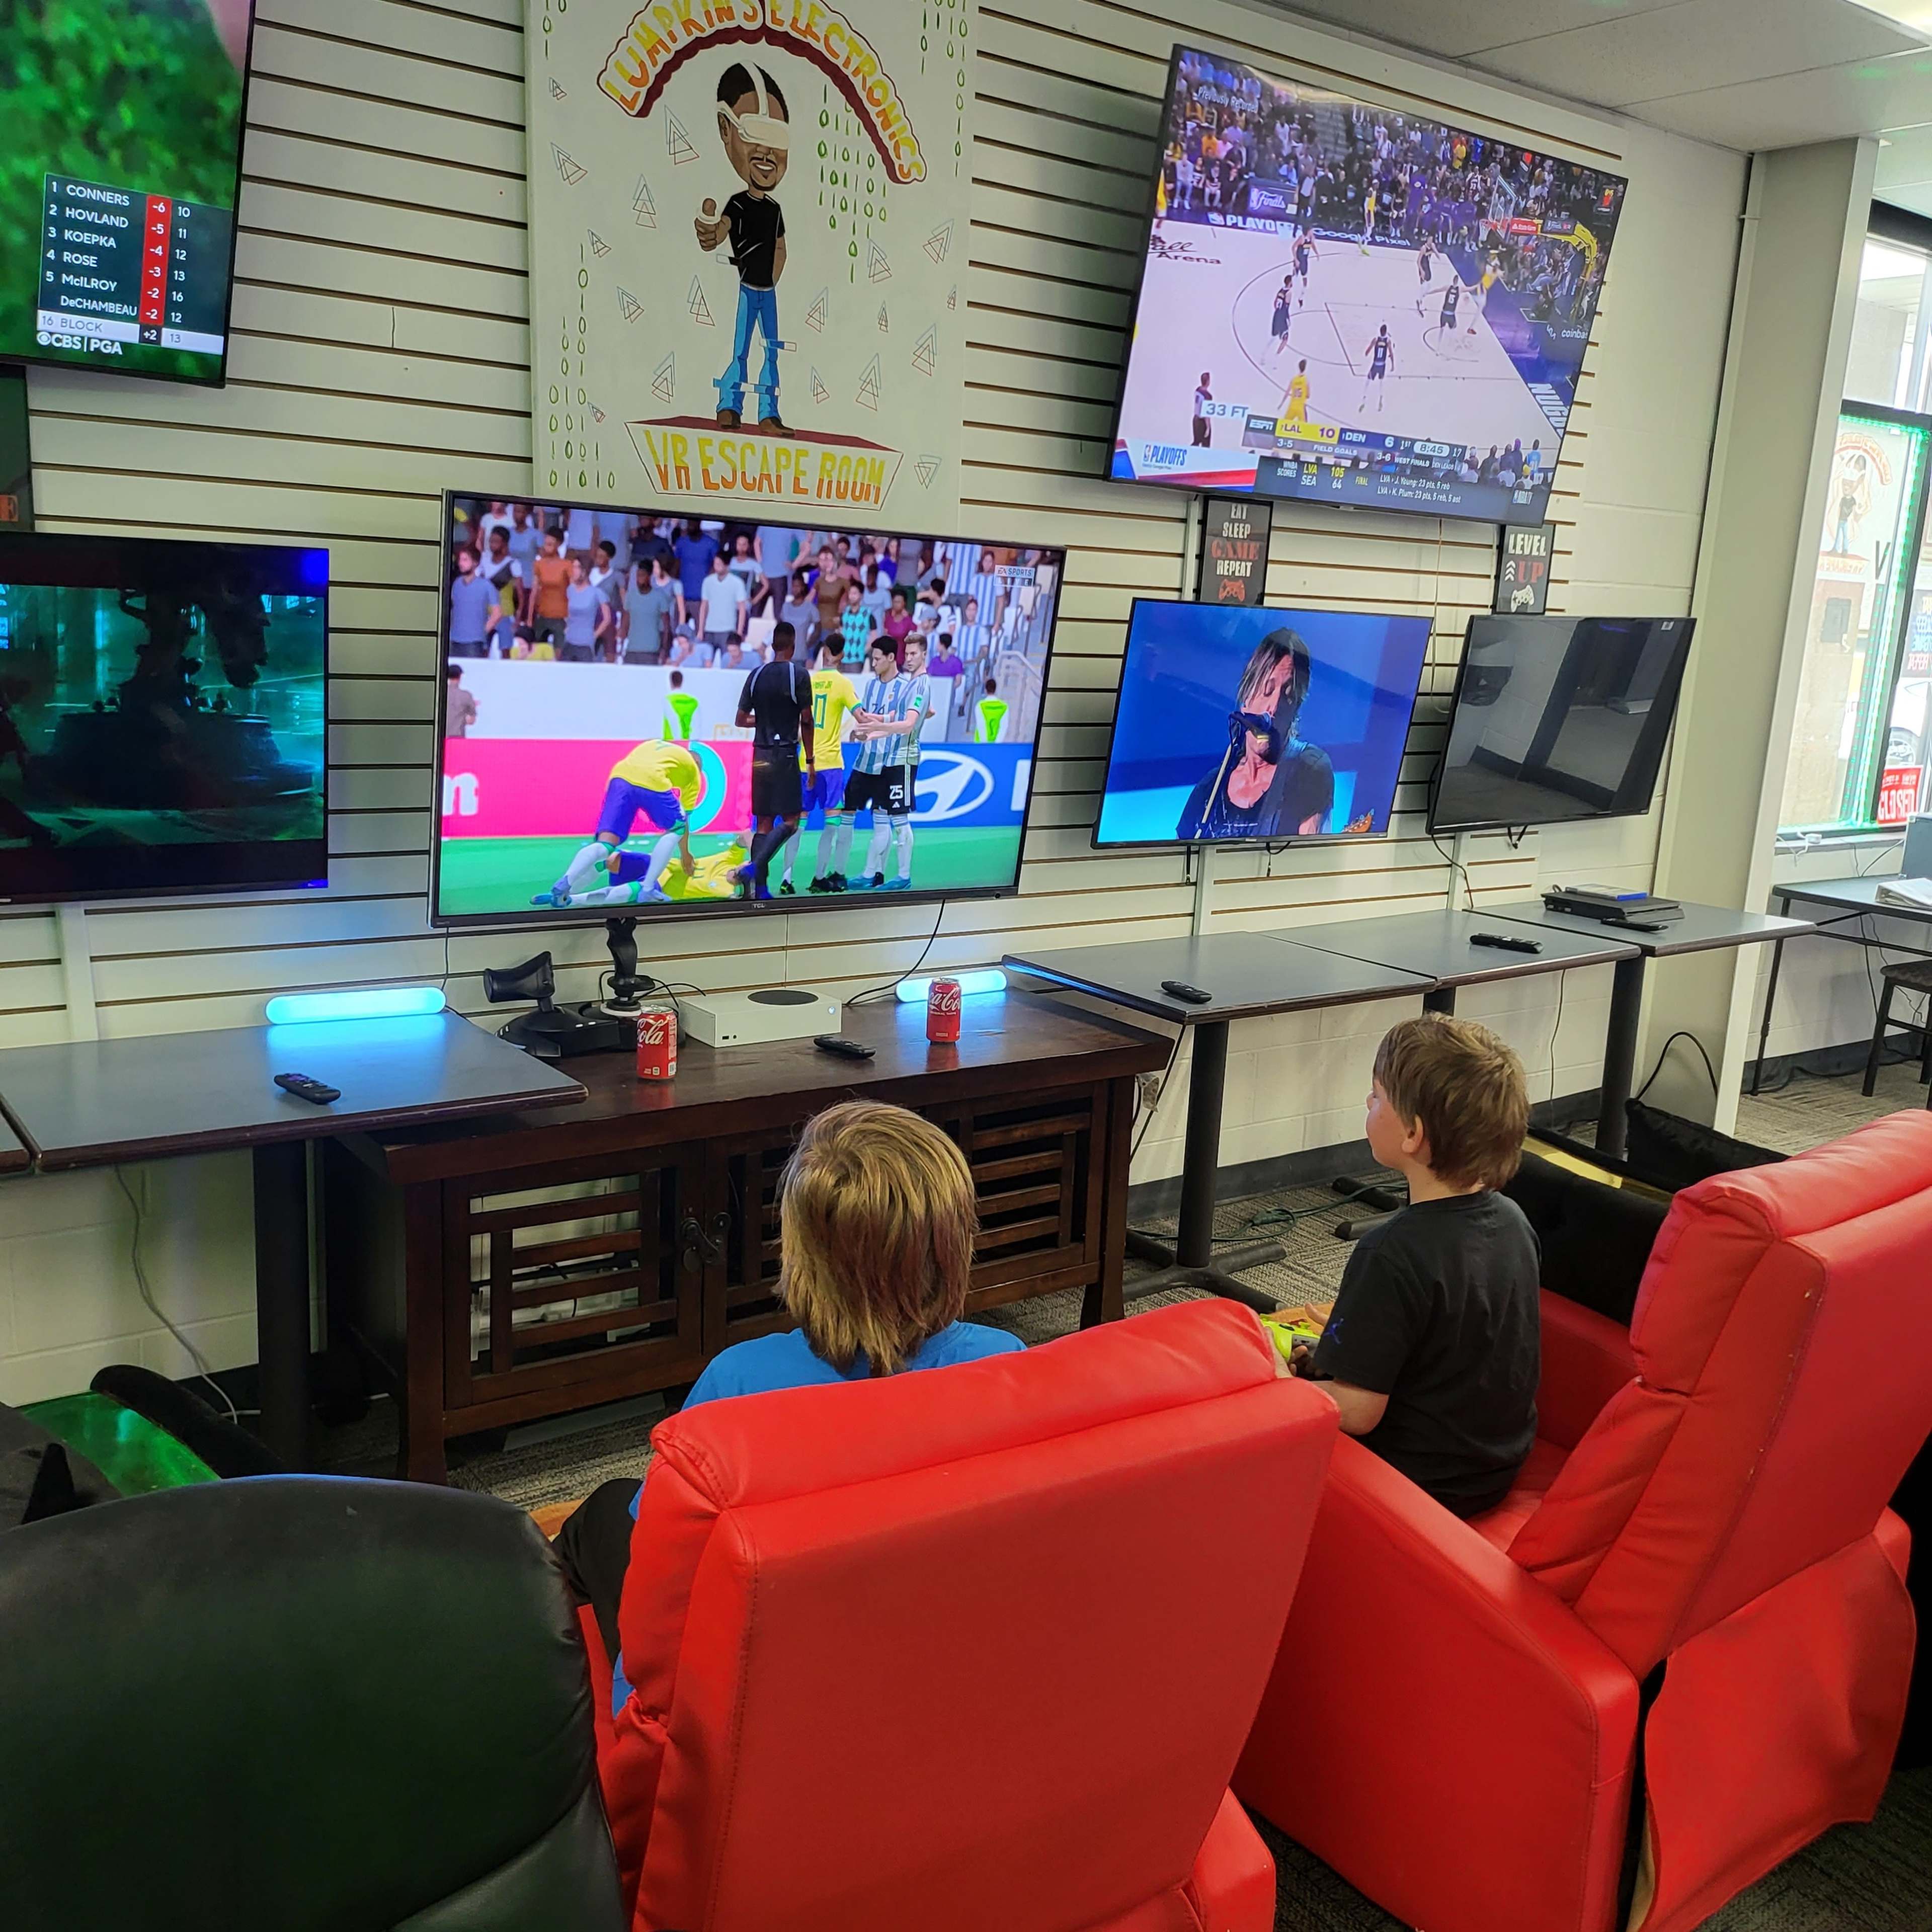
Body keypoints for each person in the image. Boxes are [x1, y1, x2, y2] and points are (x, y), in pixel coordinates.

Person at [551, 1100, 1025, 1705]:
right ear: (955, 1242)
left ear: (801, 1254)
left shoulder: (737, 1385)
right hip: (920, 1654)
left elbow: (664, 1588)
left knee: (609, 1510)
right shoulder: (1005, 1363)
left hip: (760, 1687)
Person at [1291, 1015, 1539, 1518]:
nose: (1368, 1104)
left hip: (1419, 1481)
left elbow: (1358, 1414)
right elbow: (1459, 1347)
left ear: (1412, 1134)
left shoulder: (1390, 1251)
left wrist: (1279, 1381)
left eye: (1377, 1096)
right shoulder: (1513, 1221)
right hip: (1495, 1468)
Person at [696, 63, 790, 434]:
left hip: (767, 291)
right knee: (740, 348)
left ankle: (769, 413)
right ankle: (729, 405)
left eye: (777, 140)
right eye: (755, 134)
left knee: (772, 350)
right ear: (727, 129)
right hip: (748, 290)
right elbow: (720, 230)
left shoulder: (775, 209)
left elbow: (780, 246)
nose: (767, 154)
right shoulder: (737, 203)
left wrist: (772, 276)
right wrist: (710, 230)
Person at [1177, 628, 1334, 841]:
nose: (1273, 708)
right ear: (1246, 697)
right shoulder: (1210, 789)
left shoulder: (1310, 769)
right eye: (1267, 690)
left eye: (1287, 696)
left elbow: (1309, 860)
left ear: (1296, 707)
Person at [535, 739, 704, 908]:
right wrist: (685, 854)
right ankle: (648, 888)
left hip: (619, 777)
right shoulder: (694, 773)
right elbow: (685, 820)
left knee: (606, 845)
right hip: (654, 778)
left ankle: (566, 882)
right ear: (698, 764)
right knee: (678, 828)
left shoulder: (658, 746)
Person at [734, 618, 814, 901]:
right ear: (792, 646)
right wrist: (812, 762)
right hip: (785, 755)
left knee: (764, 824)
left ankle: (760, 890)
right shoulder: (799, 675)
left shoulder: (756, 675)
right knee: (791, 821)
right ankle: (754, 869)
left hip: (760, 755)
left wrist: (765, 719)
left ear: (772, 646)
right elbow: (807, 721)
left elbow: (741, 720)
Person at [852, 632, 930, 892]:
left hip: (904, 760)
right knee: (882, 817)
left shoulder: (920, 685)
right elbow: (895, 717)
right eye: (906, 654)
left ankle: (904, 876)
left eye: (914, 654)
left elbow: (908, 724)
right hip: (892, 760)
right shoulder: (911, 684)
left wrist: (874, 725)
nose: (909, 659)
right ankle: (871, 873)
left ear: (924, 655)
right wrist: (871, 729)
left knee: (899, 819)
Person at [786, 638, 860, 895]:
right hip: (830, 765)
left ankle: (786, 879)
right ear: (841, 656)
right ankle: (819, 877)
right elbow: (860, 716)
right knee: (832, 824)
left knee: (797, 824)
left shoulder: (807, 680)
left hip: (804, 762)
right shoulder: (843, 684)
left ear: (825, 653)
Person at [621, 555, 680, 665]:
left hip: (651, 650)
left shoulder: (660, 597)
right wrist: (621, 646)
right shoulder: (631, 596)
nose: (639, 579)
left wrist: (664, 650)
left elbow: (667, 627)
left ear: (649, 577)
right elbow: (625, 622)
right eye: (638, 576)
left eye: (642, 576)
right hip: (631, 649)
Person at [477, 526, 522, 659]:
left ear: (505, 543)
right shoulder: (484, 562)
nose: (492, 545)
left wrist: (518, 619)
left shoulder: (513, 564)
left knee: (506, 653)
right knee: (483, 652)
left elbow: (520, 595)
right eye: (491, 541)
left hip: (506, 615)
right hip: (486, 615)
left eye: (496, 541)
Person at [697, 548, 749, 663]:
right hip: (709, 630)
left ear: (727, 565)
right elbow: (704, 606)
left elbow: (742, 609)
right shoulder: (708, 582)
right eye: (715, 564)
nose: (716, 567)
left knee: (728, 662)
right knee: (706, 664)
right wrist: (701, 629)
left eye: (719, 564)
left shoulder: (737, 583)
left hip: (728, 630)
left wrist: (739, 632)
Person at [524, 529, 572, 652]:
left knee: (559, 654)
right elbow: (534, 592)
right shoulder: (539, 564)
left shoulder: (567, 565)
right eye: (545, 544)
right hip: (543, 615)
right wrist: (530, 618)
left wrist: (572, 619)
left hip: (561, 617)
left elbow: (573, 593)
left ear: (559, 544)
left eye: (550, 544)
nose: (547, 547)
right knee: (537, 653)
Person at [560, 556, 611, 663]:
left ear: (585, 571)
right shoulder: (570, 590)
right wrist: (567, 627)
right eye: (573, 567)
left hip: (586, 644)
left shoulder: (597, 593)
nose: (574, 571)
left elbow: (607, 619)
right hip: (569, 642)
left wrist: (595, 635)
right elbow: (567, 612)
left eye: (577, 568)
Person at [447, 547, 493, 659]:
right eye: (460, 560)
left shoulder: (486, 585)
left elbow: (497, 612)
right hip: (454, 639)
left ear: (475, 563)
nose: (461, 563)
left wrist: (483, 631)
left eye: (465, 560)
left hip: (474, 642)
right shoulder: (457, 583)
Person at [778, 568, 820, 657]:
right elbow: (780, 628)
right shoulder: (786, 607)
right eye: (793, 586)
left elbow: (818, 629)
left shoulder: (810, 608)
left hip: (801, 655)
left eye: (798, 586)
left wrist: (808, 645)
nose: (795, 589)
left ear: (803, 587)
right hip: (784, 655)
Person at [1359, 323, 1394, 414]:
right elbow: (1391, 353)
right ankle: (1381, 400)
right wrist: (1393, 364)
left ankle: (1364, 400)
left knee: (1368, 380)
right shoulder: (1388, 341)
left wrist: (1367, 353)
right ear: (1386, 332)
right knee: (1381, 382)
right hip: (1382, 365)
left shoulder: (1376, 340)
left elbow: (1368, 350)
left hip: (1376, 364)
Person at [838, 579, 871, 667]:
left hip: (857, 660)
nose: (852, 596)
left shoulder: (867, 614)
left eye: (855, 594)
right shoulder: (844, 613)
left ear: (861, 595)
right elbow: (840, 633)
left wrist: (864, 651)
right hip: (842, 658)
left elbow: (874, 636)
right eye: (850, 593)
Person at [1275, 358, 1311, 440]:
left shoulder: (1294, 379)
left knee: (1283, 426)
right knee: (1304, 429)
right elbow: (1308, 395)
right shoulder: (1306, 380)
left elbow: (1287, 393)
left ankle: (1276, 445)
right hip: (1300, 407)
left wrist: (1281, 404)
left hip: (1292, 406)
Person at [662, 668, 699, 742]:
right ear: (682, 682)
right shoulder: (694, 702)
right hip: (689, 743)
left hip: (671, 743)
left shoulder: (668, 701)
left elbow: (674, 723)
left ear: (671, 683)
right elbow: (696, 726)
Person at [970, 676, 1007, 744]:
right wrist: (997, 743)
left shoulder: (980, 706)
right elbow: (1004, 727)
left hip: (980, 744)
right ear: (995, 689)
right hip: (996, 744)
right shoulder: (1004, 707)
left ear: (986, 690)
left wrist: (985, 744)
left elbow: (981, 724)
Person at [444, 662, 476, 737]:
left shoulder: (439, 694)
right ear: (460, 677)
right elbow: (472, 720)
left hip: (440, 737)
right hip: (457, 737)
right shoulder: (466, 696)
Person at [1270, 277, 1294, 357]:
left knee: (1274, 336)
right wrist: (1287, 319)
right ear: (1290, 282)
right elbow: (1286, 308)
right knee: (1285, 339)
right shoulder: (1289, 293)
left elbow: (1275, 304)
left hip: (1277, 315)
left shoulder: (1281, 291)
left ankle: (1264, 354)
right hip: (1283, 317)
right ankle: (1276, 357)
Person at [1191, 370, 1213, 448]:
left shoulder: (1198, 390)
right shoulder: (1207, 396)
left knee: (1196, 441)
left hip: (1195, 419)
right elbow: (1207, 413)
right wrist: (1208, 427)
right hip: (1202, 421)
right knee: (1205, 445)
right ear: (1208, 382)